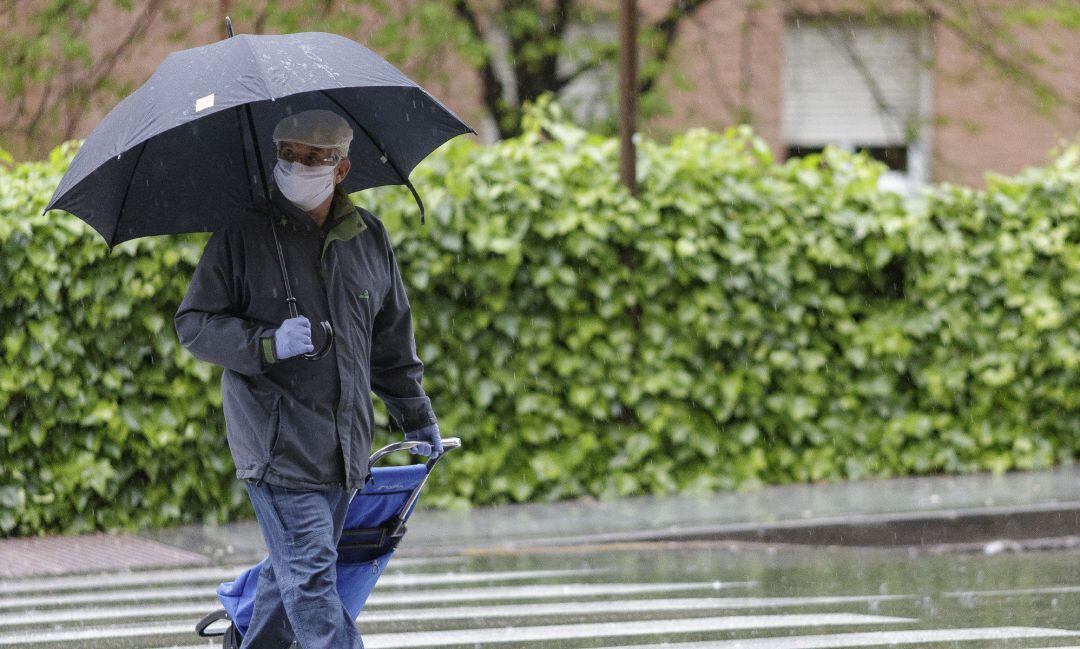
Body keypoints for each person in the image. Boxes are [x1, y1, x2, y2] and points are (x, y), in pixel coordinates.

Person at [174, 108, 442, 649]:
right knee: (314, 581)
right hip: (276, 444)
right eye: (288, 154)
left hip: (343, 446)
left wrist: (417, 415)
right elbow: (194, 324)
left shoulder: (367, 237)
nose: (298, 166)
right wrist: (267, 343)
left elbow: (390, 345)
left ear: (341, 170)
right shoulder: (244, 233)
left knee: (290, 575)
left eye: (314, 158)